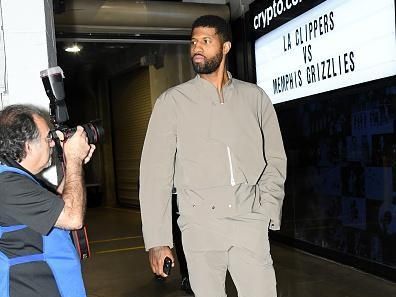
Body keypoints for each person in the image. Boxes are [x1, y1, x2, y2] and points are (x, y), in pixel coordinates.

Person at [139, 15, 287, 297]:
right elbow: (154, 174)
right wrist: (157, 241)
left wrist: (266, 208)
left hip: (249, 221)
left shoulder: (255, 98)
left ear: (226, 46)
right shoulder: (172, 102)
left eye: (206, 41)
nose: (197, 48)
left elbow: (275, 159)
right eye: (194, 42)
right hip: (200, 227)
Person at [0, 104, 95, 297]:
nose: (53, 144)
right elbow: (72, 217)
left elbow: (59, 204)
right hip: (32, 288)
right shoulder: (8, 185)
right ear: (27, 145)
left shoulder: (16, 179)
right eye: (48, 138)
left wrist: (74, 166)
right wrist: (74, 160)